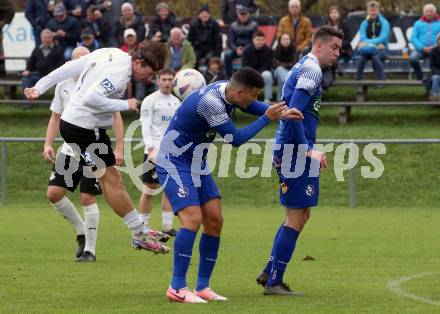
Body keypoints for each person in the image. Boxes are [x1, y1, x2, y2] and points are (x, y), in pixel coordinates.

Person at [156, 67, 304, 303]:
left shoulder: (230, 90)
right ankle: (177, 287)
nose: (254, 101)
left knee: (214, 220)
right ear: (239, 91)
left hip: (196, 163)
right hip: (174, 161)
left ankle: (202, 287)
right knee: (192, 219)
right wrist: (268, 117)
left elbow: (253, 106)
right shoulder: (211, 102)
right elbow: (235, 139)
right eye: (252, 95)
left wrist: (282, 111)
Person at [24, 41, 171, 255]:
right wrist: (125, 104)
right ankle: (139, 234)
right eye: (152, 71)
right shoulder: (121, 72)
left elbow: (69, 67)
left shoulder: (110, 52)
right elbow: (92, 98)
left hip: (78, 125)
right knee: (112, 181)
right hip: (85, 128)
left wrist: (40, 86)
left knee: (111, 180)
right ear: (138, 62)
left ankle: (139, 230)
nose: (150, 76)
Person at [255, 26, 343, 296]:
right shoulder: (311, 70)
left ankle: (270, 270)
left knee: (301, 214)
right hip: (294, 151)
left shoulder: (305, 66)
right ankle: (274, 282)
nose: (338, 53)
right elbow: (291, 112)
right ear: (318, 45)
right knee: (296, 217)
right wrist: (307, 150)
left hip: (294, 149)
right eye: (335, 48)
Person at [44, 47, 106, 262]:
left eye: (85, 59)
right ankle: (81, 230)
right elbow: (55, 117)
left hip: (93, 150)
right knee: (54, 194)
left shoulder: (99, 85)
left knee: (87, 197)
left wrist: (117, 149)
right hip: (69, 150)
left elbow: (115, 116)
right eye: (77, 60)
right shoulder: (63, 85)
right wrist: (48, 144)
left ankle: (90, 250)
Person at [138, 68, 180, 237]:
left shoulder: (177, 102)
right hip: (154, 150)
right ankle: (141, 227)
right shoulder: (150, 100)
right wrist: (150, 148)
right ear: (158, 81)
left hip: (172, 152)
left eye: (170, 79)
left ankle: (167, 227)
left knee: (169, 189)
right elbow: (145, 124)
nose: (167, 82)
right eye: (164, 79)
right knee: (149, 188)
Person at [21, 29, 65, 109]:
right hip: (38, 75)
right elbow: (31, 62)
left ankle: (58, 107)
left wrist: (55, 73)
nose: (47, 39)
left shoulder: (58, 49)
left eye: (49, 37)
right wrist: (27, 70)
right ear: (41, 38)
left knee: (60, 84)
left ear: (52, 38)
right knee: (25, 79)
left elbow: (61, 63)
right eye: (45, 37)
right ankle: (28, 103)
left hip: (53, 77)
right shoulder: (37, 49)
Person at [355, 1, 390, 81]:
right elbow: (363, 38)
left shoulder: (384, 22)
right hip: (368, 48)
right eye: (371, 10)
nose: (373, 12)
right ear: (368, 11)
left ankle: (381, 80)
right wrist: (373, 45)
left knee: (376, 58)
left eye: (375, 10)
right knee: (361, 58)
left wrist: (367, 43)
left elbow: (382, 38)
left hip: (383, 47)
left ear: (378, 10)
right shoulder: (364, 23)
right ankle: (359, 81)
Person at [224, 5, 258, 78]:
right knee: (227, 54)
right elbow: (230, 41)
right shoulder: (233, 25)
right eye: (241, 14)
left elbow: (255, 40)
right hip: (235, 49)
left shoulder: (254, 25)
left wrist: (245, 49)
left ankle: (248, 77)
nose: (243, 16)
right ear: (238, 15)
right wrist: (236, 49)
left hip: (249, 49)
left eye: (245, 14)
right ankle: (229, 77)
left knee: (251, 53)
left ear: (248, 14)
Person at [410, 4, 440, 81]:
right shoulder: (418, 23)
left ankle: (435, 79)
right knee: (413, 59)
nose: (429, 13)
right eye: (427, 11)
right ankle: (420, 77)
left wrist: (435, 46)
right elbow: (413, 38)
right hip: (420, 49)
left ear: (435, 12)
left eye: (431, 11)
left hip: (436, 49)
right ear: (423, 12)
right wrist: (422, 48)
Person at [187, 4, 222, 69]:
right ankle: (196, 76)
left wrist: (217, 55)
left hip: (211, 49)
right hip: (198, 48)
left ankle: (209, 76)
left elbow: (218, 41)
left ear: (209, 15)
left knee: (210, 59)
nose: (204, 15)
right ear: (199, 15)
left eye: (206, 13)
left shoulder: (215, 25)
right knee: (193, 59)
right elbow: (190, 40)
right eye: (202, 13)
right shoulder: (193, 25)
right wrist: (190, 52)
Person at [242, 31, 273, 103]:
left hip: (263, 72)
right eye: (257, 39)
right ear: (253, 40)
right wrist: (254, 74)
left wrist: (258, 75)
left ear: (264, 40)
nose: (259, 42)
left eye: (261, 40)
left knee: (267, 74)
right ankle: (251, 99)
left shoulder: (269, 51)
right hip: (250, 73)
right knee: (247, 77)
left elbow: (267, 65)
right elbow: (245, 66)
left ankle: (267, 99)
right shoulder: (247, 50)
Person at [273, 33, 297, 101]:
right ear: (280, 41)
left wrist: (280, 63)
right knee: (281, 70)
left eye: (287, 39)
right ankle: (288, 98)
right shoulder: (275, 50)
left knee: (283, 79)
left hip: (290, 71)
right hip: (277, 72)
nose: (286, 41)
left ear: (290, 40)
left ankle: (280, 100)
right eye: (283, 39)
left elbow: (295, 64)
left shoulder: (294, 51)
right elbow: (274, 64)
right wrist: (288, 64)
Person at [429, 34, 440, 100]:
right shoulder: (433, 51)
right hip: (435, 73)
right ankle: (435, 96)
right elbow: (432, 66)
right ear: (437, 41)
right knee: (436, 77)